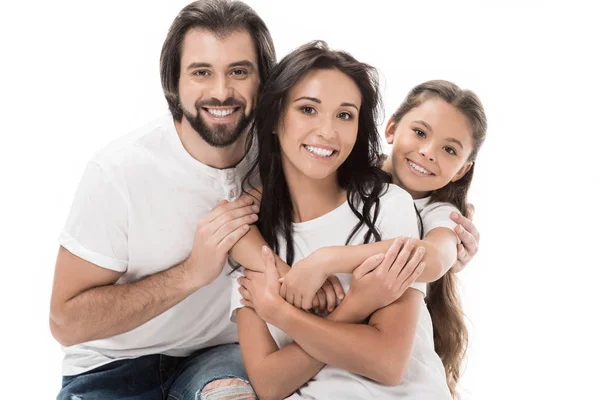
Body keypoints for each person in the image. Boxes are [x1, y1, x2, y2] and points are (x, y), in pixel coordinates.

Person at [50, 1, 276, 399]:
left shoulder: (283, 156)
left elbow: (359, 169)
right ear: (174, 82)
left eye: (239, 71)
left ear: (264, 80)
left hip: (220, 355)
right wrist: (191, 272)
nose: (221, 91)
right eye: (201, 72)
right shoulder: (118, 171)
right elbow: (65, 322)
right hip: (111, 367)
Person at [232, 41, 463, 399]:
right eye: (308, 109)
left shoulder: (388, 206)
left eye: (344, 115)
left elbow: (386, 362)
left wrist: (282, 311)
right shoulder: (253, 242)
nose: (327, 131)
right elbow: (269, 382)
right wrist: (356, 306)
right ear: (276, 118)